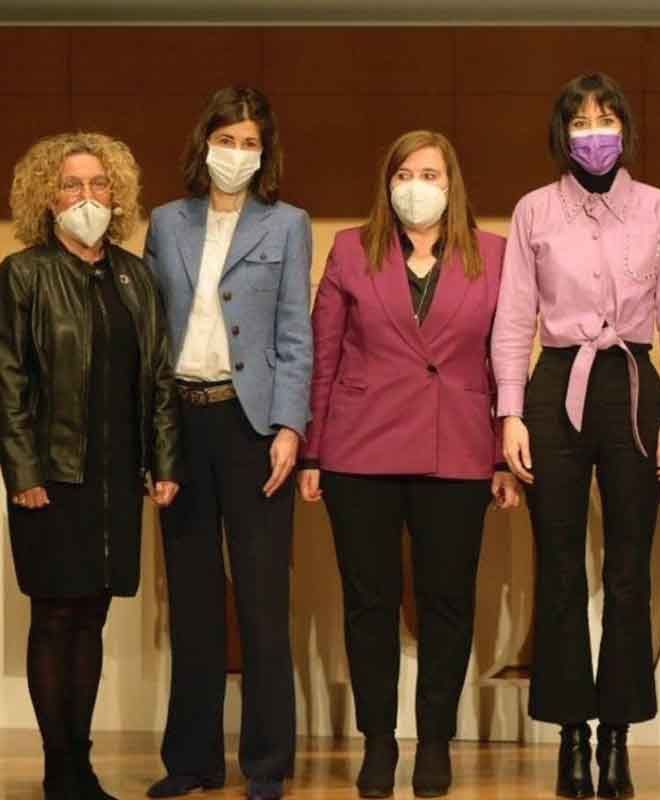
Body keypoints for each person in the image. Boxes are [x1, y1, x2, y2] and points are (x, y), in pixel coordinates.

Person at [491, 71, 660, 799]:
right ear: (561, 134)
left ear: (625, 130)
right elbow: (515, 315)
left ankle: (617, 736)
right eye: (580, 122)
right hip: (555, 384)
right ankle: (570, 736)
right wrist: (510, 411)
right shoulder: (533, 212)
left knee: (629, 568)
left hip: (633, 385)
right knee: (557, 566)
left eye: (605, 120)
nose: (594, 134)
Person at [297, 130, 520, 799]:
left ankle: (434, 743)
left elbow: (504, 361)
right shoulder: (347, 249)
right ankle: (377, 742)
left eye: (430, 173)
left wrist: (504, 452)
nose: (416, 185)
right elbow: (323, 354)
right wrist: (311, 449)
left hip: (459, 452)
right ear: (386, 182)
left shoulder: (495, 255)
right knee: (370, 604)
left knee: (447, 604)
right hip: (358, 451)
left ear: (452, 183)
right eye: (404, 172)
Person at [142, 86, 313, 800]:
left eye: (250, 142)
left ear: (264, 152)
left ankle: (267, 764)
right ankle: (192, 760)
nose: (236, 153)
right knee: (193, 599)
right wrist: (152, 442)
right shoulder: (165, 222)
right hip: (183, 419)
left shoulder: (287, 224)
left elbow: (295, 334)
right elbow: (152, 338)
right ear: (203, 141)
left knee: (263, 600)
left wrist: (290, 426)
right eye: (226, 138)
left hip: (254, 427)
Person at [0, 132, 181, 799]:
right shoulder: (24, 273)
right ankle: (60, 771)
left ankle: (82, 762)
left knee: (95, 614)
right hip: (50, 476)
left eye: (98, 184)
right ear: (48, 198)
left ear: (118, 194)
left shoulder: (135, 277)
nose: (87, 198)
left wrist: (163, 462)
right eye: (72, 186)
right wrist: (23, 471)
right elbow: (8, 380)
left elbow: (159, 376)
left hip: (114, 475)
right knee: (56, 615)